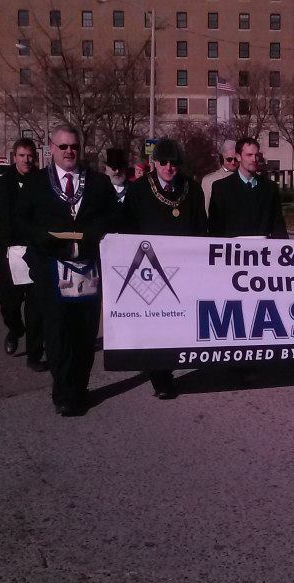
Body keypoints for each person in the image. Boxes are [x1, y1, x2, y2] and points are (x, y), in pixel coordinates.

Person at [16, 124, 118, 416]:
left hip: (88, 269)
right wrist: (41, 236)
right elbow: (20, 220)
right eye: (63, 146)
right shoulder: (36, 183)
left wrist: (97, 230)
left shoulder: (98, 182)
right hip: (51, 268)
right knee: (58, 333)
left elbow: (114, 216)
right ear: (52, 149)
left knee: (84, 333)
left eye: (74, 146)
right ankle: (63, 393)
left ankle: (80, 388)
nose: (69, 151)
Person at [123, 138, 207, 399]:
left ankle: (167, 367)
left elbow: (200, 227)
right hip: (150, 269)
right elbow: (128, 228)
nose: (169, 168)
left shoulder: (192, 188)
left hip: (183, 269)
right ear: (154, 162)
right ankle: (161, 377)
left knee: (177, 323)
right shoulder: (138, 191)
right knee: (156, 324)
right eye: (163, 162)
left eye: (174, 163)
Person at [0, 137, 45, 370]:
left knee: (36, 308)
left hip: (36, 251)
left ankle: (34, 355)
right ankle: (15, 329)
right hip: (8, 253)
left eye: (30, 156)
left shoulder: (43, 182)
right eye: (22, 155)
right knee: (8, 304)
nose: (26, 160)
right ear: (14, 157)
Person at [208, 137, 288, 239]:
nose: (254, 159)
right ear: (238, 157)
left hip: (262, 248)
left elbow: (278, 226)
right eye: (249, 155)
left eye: (256, 155)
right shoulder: (221, 188)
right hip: (232, 247)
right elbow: (215, 229)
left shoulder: (270, 188)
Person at [200, 139, 237, 214]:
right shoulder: (209, 180)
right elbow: (205, 209)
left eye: (236, 159)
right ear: (222, 159)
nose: (233, 162)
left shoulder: (245, 178)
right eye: (229, 159)